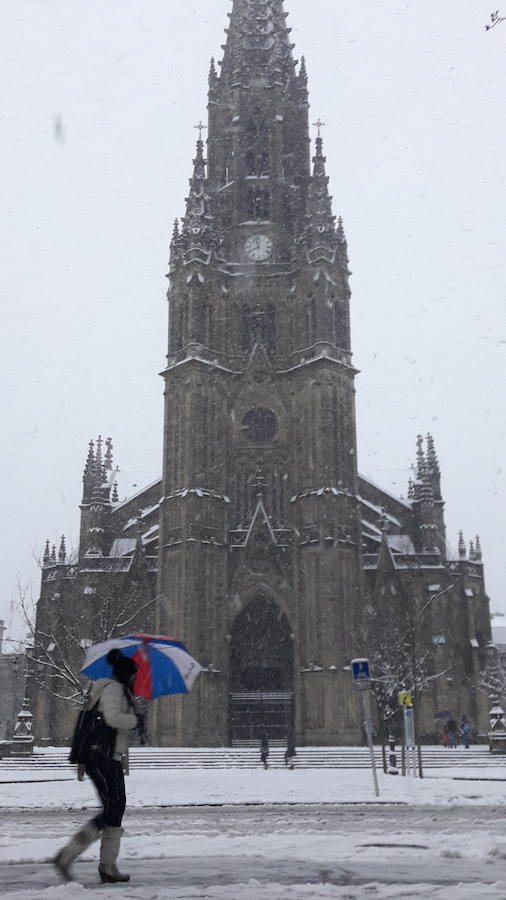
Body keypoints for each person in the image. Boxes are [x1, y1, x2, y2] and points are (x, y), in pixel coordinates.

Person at [54, 649, 139, 884]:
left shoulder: (118, 690)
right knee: (112, 808)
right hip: (100, 757)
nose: (135, 679)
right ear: (126, 674)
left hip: (107, 756)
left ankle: (108, 866)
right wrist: (134, 719)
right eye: (133, 675)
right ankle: (69, 856)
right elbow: (111, 719)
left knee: (116, 807)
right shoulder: (113, 688)